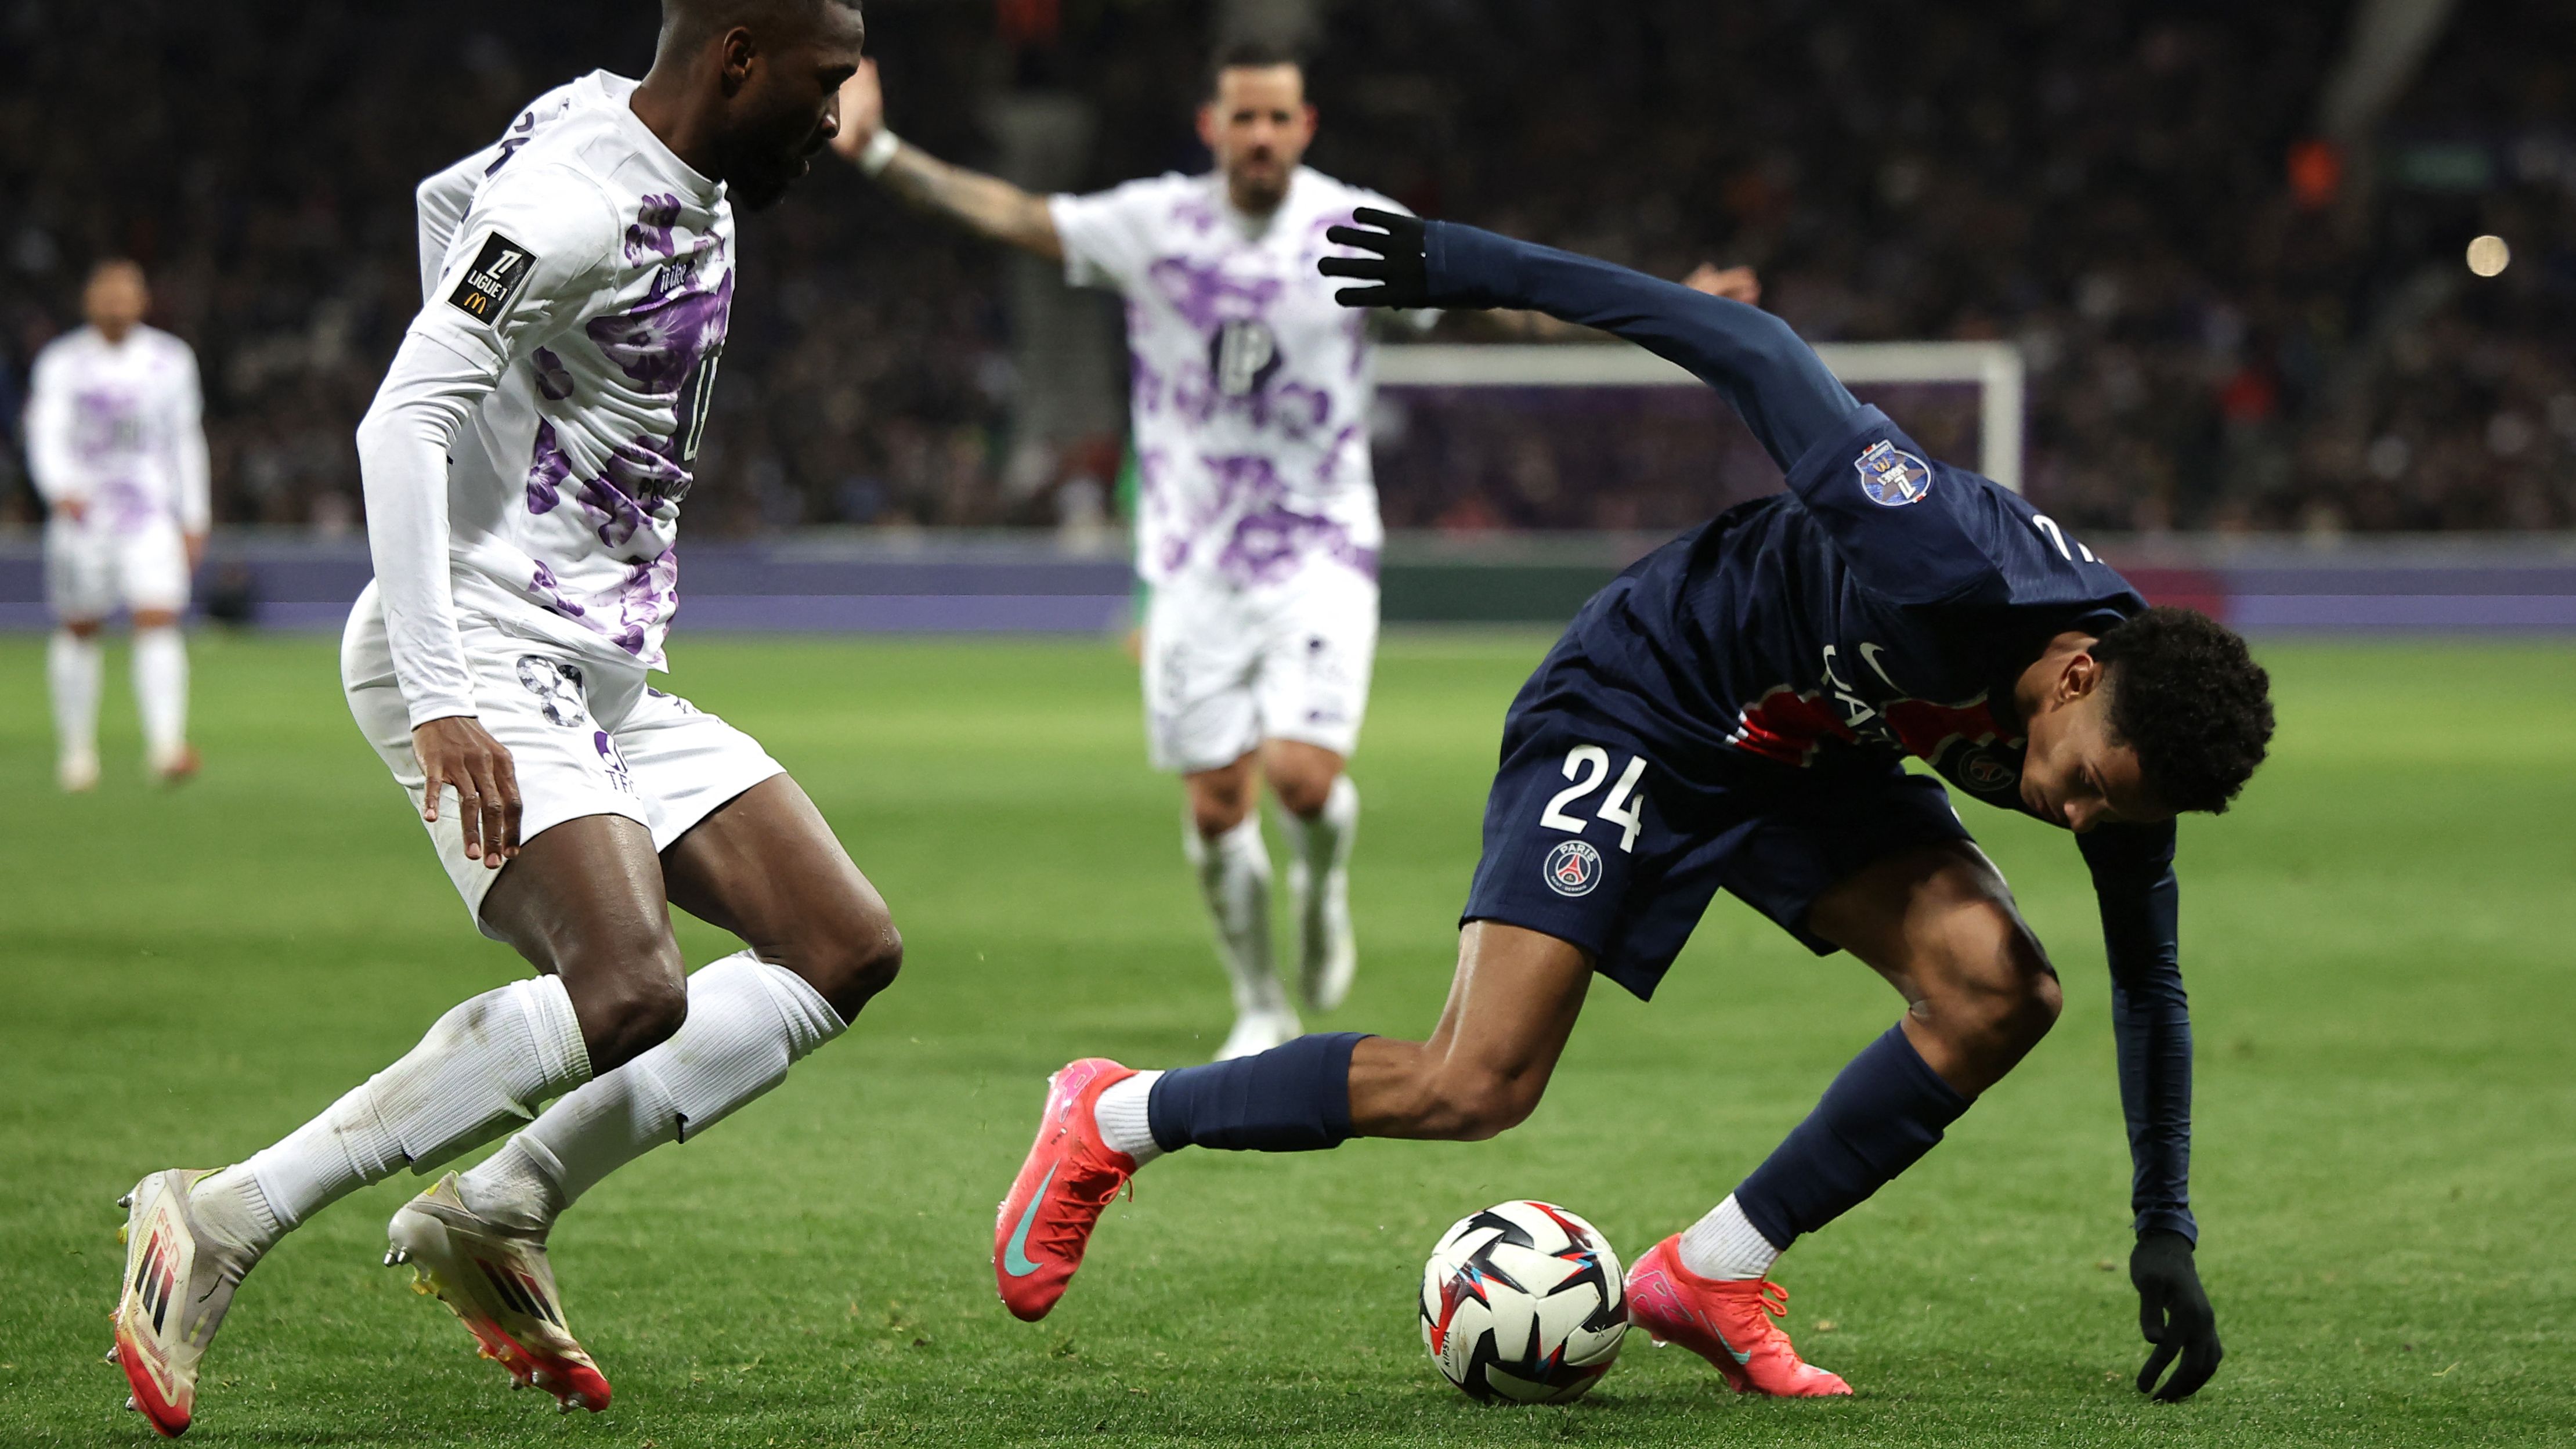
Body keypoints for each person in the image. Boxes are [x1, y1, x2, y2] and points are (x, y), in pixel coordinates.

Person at [989, 211, 2271, 1405]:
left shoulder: (2135, 751)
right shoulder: (1934, 558)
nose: (2083, 820)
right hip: (1649, 696)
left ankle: (1710, 1271)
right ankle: (1108, 1116)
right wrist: (1461, 263)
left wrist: (2162, 1223)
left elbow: (2145, 986)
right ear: (2074, 674)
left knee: (2000, 989)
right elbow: (1747, 342)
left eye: (2112, 811)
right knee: (1473, 1083)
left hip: (1805, 755)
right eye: (2087, 786)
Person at [106, 1, 883, 1436]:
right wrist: (444, 680)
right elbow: (399, 421)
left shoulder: (626, 142)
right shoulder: (579, 196)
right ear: (737, 59)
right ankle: (216, 1214)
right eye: (824, 84)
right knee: (630, 984)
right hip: (480, 652)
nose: (834, 118)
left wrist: (512, 400)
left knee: (842, 947)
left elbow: (440, 203)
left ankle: (502, 1202)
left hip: (603, 667)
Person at [834, 45, 1756, 1061]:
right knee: (1214, 801)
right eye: (1244, 119)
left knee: (1302, 780)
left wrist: (1668, 312)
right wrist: (876, 152)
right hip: (1190, 564)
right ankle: (1259, 1000)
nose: (1261, 136)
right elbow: (1012, 214)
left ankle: (1319, 883)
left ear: (1304, 126)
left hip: (1317, 545)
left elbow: (1499, 301)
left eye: (1277, 119)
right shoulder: (1154, 226)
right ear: (1212, 126)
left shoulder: (1349, 227)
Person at [24, 259, 209, 791]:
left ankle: (167, 746)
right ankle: (77, 753)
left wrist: (194, 515)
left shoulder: (170, 360)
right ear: (89, 300)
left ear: (143, 300)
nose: (115, 303)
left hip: (149, 514)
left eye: (125, 293)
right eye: (106, 292)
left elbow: (185, 439)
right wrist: (59, 490)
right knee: (80, 625)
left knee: (158, 617)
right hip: (82, 515)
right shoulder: (62, 362)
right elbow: (46, 430)